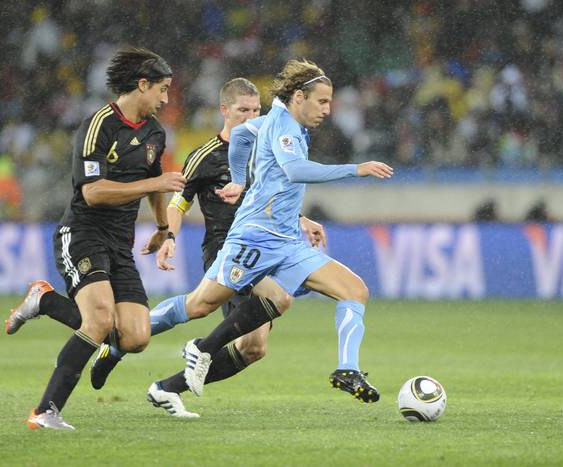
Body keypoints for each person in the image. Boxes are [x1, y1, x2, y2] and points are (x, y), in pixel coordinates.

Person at [6, 77, 326, 419]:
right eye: (242, 110)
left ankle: (156, 378)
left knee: (253, 346)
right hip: (227, 250)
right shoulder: (205, 156)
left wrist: (300, 219)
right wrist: (168, 236)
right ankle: (175, 357)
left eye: (256, 110)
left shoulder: (266, 150)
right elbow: (178, 200)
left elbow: (269, 199)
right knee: (241, 303)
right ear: (224, 111)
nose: (250, 117)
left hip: (264, 245)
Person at [149, 59, 393, 404]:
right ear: (298, 97)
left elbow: (243, 136)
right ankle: (123, 337)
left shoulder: (275, 121)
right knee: (199, 305)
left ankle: (347, 369)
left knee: (354, 290)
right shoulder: (284, 126)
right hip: (255, 237)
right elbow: (294, 170)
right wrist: (357, 169)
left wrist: (238, 178)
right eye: (322, 101)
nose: (328, 109)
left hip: (288, 241)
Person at [8, 46, 185, 430]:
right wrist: (155, 181)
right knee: (100, 319)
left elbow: (155, 186)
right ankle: (45, 411)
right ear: (142, 85)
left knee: (136, 337)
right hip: (83, 233)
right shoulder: (99, 125)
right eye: (163, 89)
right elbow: (92, 191)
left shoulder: (155, 132)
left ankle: (46, 301)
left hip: (119, 243)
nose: (166, 98)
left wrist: (161, 228)